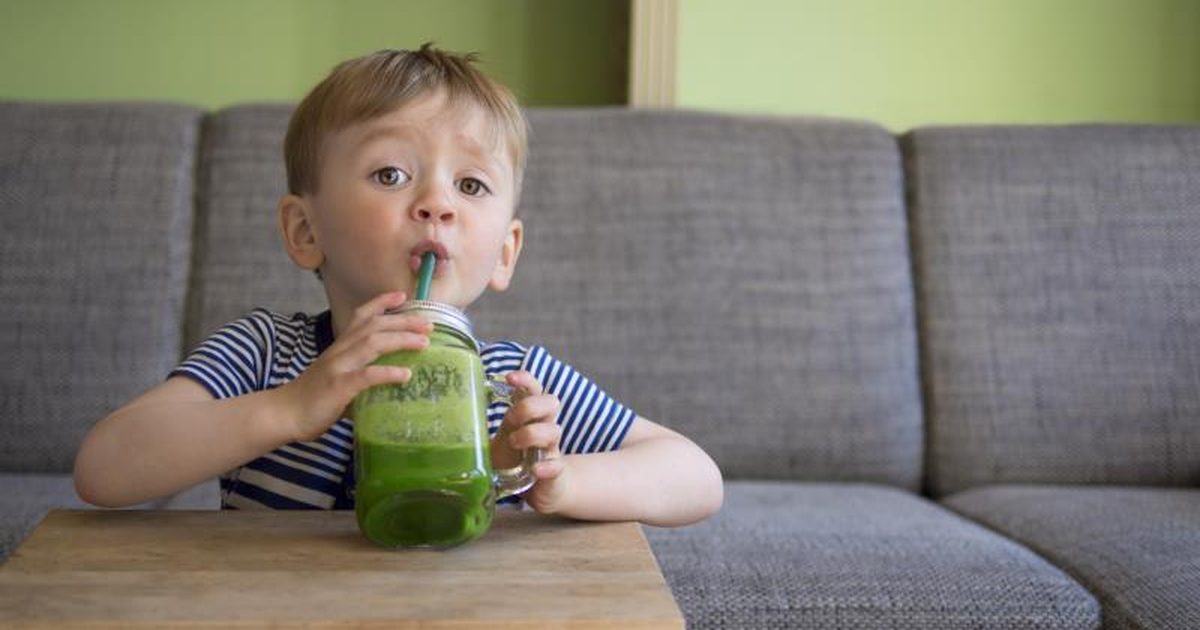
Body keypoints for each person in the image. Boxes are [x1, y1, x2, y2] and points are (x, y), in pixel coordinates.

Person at [74, 44, 723, 527]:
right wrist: (288, 409)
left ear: (504, 252)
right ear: (305, 230)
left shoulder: (510, 380)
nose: (437, 202)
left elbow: (696, 477)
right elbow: (103, 468)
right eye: (390, 174)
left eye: (470, 185)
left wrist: (555, 479)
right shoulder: (267, 355)